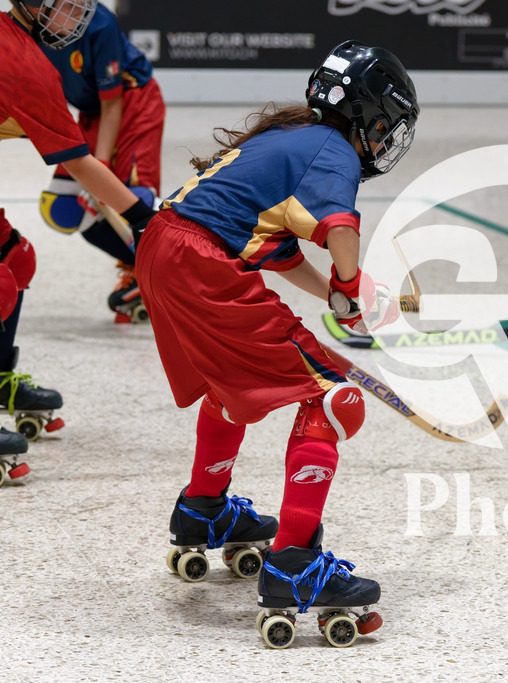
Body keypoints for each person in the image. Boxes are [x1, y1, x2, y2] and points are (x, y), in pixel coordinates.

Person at [135, 40, 418, 648]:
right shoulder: (333, 150)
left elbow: (278, 249)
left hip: (162, 248)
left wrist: (336, 297)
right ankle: (293, 564)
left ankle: (203, 508)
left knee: (229, 381)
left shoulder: (288, 139)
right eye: (386, 126)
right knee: (334, 396)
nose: (385, 139)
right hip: (200, 262)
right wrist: (349, 284)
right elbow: (340, 227)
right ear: (367, 117)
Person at [0, 0, 156, 451]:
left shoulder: (22, 45)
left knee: (14, 258)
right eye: (64, 5)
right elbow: (80, 161)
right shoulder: (25, 64)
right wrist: (143, 220)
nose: (79, 16)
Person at [30, 0, 165, 323]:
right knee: (64, 208)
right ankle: (146, 272)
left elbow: (112, 103)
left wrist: (101, 165)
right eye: (69, 6)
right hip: (90, 113)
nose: (80, 12)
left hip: (132, 103)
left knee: (132, 197)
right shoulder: (25, 28)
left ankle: (161, 272)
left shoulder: (100, 23)